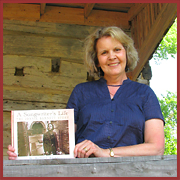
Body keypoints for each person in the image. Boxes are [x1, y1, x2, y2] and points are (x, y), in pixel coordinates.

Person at [7, 26, 165, 160]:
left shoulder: (144, 94)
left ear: (126, 53)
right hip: (84, 171)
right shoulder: (81, 92)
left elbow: (156, 148)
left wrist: (106, 153)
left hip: (132, 173)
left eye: (117, 49)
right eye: (104, 53)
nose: (112, 57)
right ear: (96, 60)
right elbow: (61, 143)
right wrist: (22, 153)